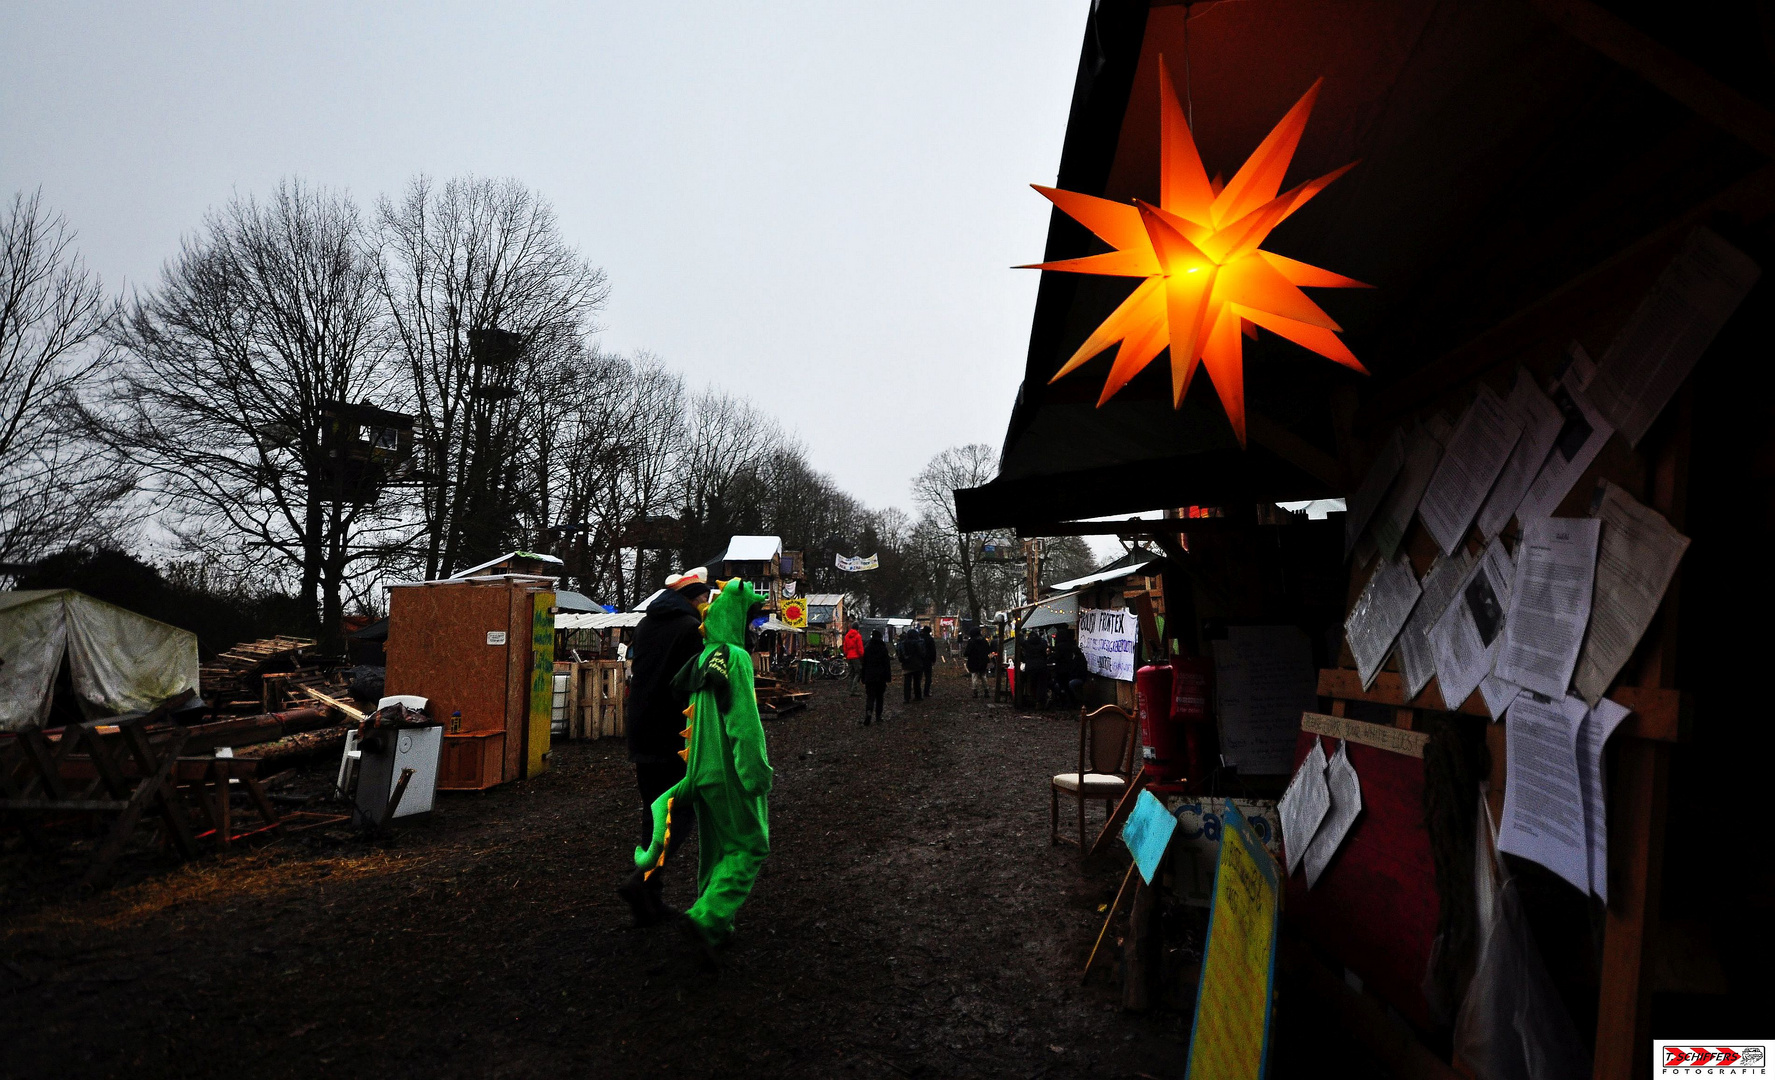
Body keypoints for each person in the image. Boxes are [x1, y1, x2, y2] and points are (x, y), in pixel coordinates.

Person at [634, 578, 774, 962]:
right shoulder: (735, 657)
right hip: (728, 770)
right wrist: (756, 771)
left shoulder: (700, 658)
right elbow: (743, 721)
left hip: (695, 769)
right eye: (749, 619)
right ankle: (707, 916)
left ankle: (717, 924)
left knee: (713, 849)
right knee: (749, 845)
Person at [617, 567, 710, 927]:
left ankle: (648, 900)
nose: (706, 605)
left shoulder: (645, 626)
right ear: (692, 599)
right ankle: (640, 883)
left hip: (642, 732)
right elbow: (694, 681)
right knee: (681, 811)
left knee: (652, 814)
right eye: (703, 599)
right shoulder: (689, 630)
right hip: (673, 734)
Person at [859, 629, 892, 725]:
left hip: (870, 677)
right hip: (881, 677)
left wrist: (863, 677)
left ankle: (868, 713)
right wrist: (888, 677)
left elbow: (864, 664)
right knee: (880, 698)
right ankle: (878, 716)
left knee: (870, 697)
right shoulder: (883, 648)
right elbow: (887, 664)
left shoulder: (867, 647)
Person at [1050, 628, 1089, 708]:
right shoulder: (1071, 647)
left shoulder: (1059, 647)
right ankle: (1070, 702)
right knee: (1065, 686)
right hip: (1069, 671)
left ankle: (1064, 702)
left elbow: (1056, 656)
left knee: (1060, 685)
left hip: (1062, 670)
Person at [1021, 628, 1050, 709]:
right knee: (1042, 684)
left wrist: (1020, 633)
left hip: (1030, 667)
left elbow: (1021, 641)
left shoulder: (1027, 643)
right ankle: (1040, 701)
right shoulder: (1042, 643)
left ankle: (1033, 699)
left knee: (1032, 683)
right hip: (1041, 666)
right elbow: (1045, 653)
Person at [896, 627, 925, 702]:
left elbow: (899, 654)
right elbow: (922, 653)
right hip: (917, 664)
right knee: (917, 682)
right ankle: (918, 696)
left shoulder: (902, 643)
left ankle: (906, 698)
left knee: (907, 682)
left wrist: (902, 660)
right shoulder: (919, 642)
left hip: (906, 664)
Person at [964, 626, 992, 699]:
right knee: (983, 676)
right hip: (983, 661)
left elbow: (967, 652)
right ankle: (986, 691)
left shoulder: (972, 641)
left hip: (973, 661)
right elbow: (988, 650)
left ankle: (975, 692)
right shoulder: (984, 641)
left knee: (974, 676)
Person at [843, 624, 865, 696]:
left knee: (851, 673)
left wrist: (846, 655)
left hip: (849, 657)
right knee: (858, 673)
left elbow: (845, 647)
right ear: (857, 628)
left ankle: (849, 690)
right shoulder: (858, 636)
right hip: (856, 657)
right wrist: (862, 656)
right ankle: (854, 690)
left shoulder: (847, 636)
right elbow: (860, 648)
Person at [919, 625, 937, 698]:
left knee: (918, 677)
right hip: (928, 660)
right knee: (928, 677)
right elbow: (933, 650)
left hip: (919, 659)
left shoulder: (919, 638)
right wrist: (933, 659)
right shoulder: (930, 639)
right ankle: (926, 692)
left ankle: (918, 692)